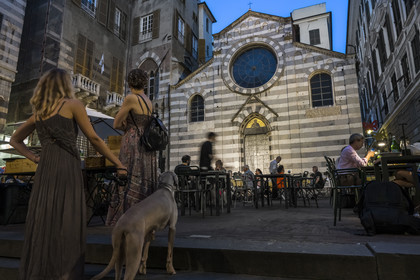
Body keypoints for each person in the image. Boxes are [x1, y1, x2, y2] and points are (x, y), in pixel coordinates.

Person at [9, 68, 127, 280]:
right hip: (66, 166)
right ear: (65, 85)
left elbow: (14, 140)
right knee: (66, 217)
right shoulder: (73, 105)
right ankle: (64, 273)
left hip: (45, 168)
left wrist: (35, 158)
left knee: (45, 218)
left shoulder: (40, 113)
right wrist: (118, 162)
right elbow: (94, 138)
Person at [106, 68, 158, 226]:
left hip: (133, 141)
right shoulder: (148, 101)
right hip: (147, 145)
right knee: (143, 177)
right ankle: (144, 218)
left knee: (128, 177)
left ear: (130, 83)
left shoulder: (131, 98)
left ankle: (126, 217)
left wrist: (126, 127)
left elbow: (116, 123)